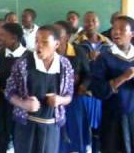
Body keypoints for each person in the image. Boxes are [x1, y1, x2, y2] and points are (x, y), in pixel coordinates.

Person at [5, 25, 74, 153]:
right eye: (37, 41)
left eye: (45, 42)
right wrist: (23, 104)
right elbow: (9, 91)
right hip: (26, 125)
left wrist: (60, 100)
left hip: (51, 126)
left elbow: (69, 95)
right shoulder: (23, 63)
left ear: (56, 44)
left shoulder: (64, 65)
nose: (39, 45)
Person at [90, 16, 134, 153]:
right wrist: (123, 78)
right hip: (112, 117)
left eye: (122, 29)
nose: (116, 32)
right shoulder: (104, 57)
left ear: (132, 34)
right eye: (114, 28)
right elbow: (97, 90)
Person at [73, 11, 112, 152]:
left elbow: (112, 65)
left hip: (100, 93)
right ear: (83, 23)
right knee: (83, 127)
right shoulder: (76, 43)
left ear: (98, 23)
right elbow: (74, 67)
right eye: (87, 21)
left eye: (93, 21)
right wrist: (88, 58)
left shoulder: (107, 43)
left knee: (99, 129)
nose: (90, 24)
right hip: (84, 92)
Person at [55, 21, 91, 153]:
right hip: (54, 100)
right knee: (57, 137)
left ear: (67, 36)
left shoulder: (79, 51)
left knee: (76, 132)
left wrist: (83, 85)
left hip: (74, 98)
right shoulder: (48, 51)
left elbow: (88, 74)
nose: (54, 36)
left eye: (58, 34)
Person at [0, 22, 26, 153]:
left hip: (22, 103)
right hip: (4, 100)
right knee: (2, 134)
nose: (0, 38)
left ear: (14, 38)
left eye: (3, 36)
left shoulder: (29, 56)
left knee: (21, 135)